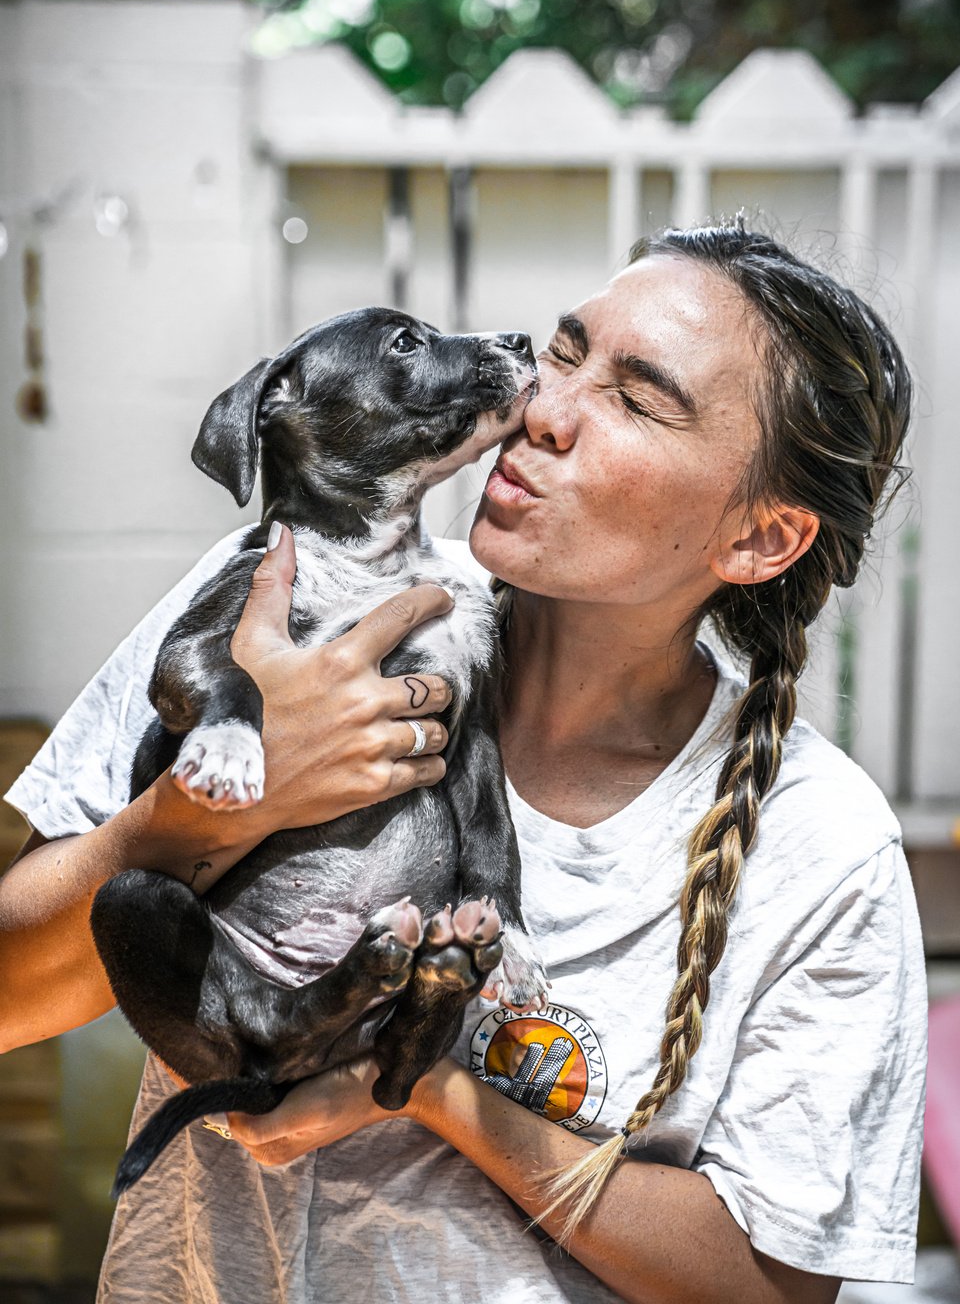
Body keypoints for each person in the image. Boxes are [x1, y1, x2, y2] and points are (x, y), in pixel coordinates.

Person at [0, 224, 925, 1303]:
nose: (543, 407)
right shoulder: (286, 602)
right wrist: (212, 814)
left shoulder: (822, 846)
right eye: (568, 352)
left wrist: (433, 1090)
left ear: (762, 540)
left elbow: (769, 1287)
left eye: (636, 399)